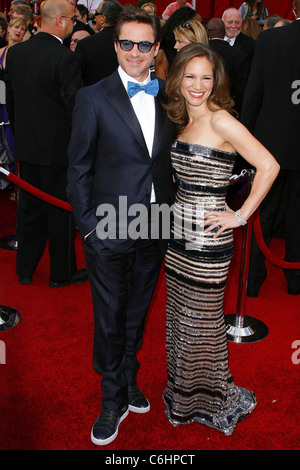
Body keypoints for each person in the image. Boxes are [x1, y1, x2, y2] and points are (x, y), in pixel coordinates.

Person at [67, 5, 175, 446]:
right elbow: (78, 168)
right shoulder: (93, 97)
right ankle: (111, 398)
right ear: (115, 46)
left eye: (143, 44)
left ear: (156, 49)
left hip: (156, 222)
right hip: (109, 224)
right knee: (110, 316)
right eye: (126, 43)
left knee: (136, 312)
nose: (134, 51)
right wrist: (89, 226)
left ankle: (129, 381)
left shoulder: (169, 95)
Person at [162, 43, 279, 436]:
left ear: (217, 82)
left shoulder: (221, 120)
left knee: (203, 323)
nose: (197, 85)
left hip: (208, 243)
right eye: (190, 76)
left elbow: (268, 165)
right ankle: (184, 396)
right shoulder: (181, 119)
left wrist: (240, 216)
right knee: (180, 316)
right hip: (177, 236)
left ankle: (209, 398)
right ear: (177, 77)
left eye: (206, 77)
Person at [5, 0, 87, 288]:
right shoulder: (65, 58)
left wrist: (22, 136)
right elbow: (74, 109)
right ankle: (60, 274)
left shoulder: (14, 54)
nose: (75, 25)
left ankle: (24, 271)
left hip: (26, 149)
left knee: (28, 212)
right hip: (59, 152)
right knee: (61, 212)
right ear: (61, 21)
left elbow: (11, 103)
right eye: (73, 20)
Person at [240, 0, 300, 297]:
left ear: (294, 8)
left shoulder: (270, 39)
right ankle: (296, 280)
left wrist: (243, 140)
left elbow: (255, 91)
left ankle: (251, 280)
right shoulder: (269, 38)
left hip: (270, 145)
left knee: (262, 211)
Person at [206, 17, 248, 116]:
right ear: (224, 32)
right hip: (229, 108)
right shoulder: (238, 54)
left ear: (207, 32)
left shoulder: (199, 51)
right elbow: (241, 86)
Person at [74, 0, 123, 86]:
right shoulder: (128, 43)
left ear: (102, 19)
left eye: (96, 14)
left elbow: (76, 78)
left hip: (91, 96)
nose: (94, 18)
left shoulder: (85, 44)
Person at [155, 6, 202, 79]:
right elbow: (161, 80)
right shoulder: (164, 49)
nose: (199, 28)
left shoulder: (205, 54)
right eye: (194, 24)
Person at [222, 7, 256, 74]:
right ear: (222, 22)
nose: (234, 26)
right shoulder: (213, 41)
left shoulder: (251, 45)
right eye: (229, 22)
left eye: (237, 22)